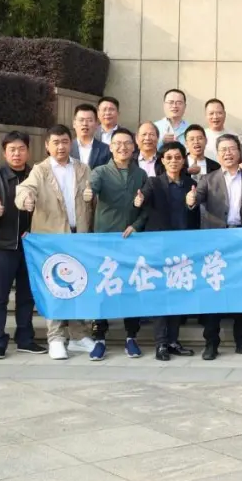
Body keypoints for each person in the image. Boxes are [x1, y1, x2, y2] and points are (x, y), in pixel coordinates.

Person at [15, 124, 96, 361]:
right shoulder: (40, 170)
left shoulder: (82, 168)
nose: (61, 147)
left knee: (79, 286)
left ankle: (79, 335)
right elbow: (24, 189)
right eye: (56, 142)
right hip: (51, 240)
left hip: (79, 237)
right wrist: (26, 199)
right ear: (47, 146)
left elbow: (94, 197)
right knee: (56, 288)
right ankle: (56, 338)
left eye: (64, 142)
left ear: (71, 143)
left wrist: (92, 196)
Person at [87, 128, 150, 360]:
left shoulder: (141, 174)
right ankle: (99, 338)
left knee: (131, 288)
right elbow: (92, 187)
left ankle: (131, 337)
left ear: (134, 147)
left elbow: (147, 208)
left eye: (127, 143)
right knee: (102, 288)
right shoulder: (101, 172)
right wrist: (89, 192)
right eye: (118, 143)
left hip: (131, 240)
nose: (123, 147)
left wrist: (137, 225)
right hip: (105, 240)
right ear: (111, 147)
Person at [0, 131, 43, 359]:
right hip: (3, 246)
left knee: (26, 296)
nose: (17, 154)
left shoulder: (36, 175)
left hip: (30, 246)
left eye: (21, 149)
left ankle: (25, 338)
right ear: (4, 153)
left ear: (28, 151)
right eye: (12, 150)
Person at [194, 133, 242, 359]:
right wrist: (191, 200)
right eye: (223, 150)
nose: (228, 153)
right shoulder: (208, 179)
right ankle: (211, 342)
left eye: (232, 149)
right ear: (217, 154)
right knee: (214, 291)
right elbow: (197, 198)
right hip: (216, 242)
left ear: (239, 153)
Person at [145, 141, 200, 361]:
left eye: (178, 157)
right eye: (169, 157)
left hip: (183, 247)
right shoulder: (153, 183)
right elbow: (143, 204)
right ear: (162, 160)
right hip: (159, 246)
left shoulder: (191, 184)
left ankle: (174, 340)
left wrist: (191, 204)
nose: (173, 161)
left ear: (184, 160)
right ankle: (161, 343)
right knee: (161, 294)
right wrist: (138, 200)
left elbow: (195, 216)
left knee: (178, 293)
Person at [70, 103, 111, 169]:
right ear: (74, 123)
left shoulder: (106, 150)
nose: (85, 124)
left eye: (89, 120)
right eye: (81, 120)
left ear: (96, 124)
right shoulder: (67, 148)